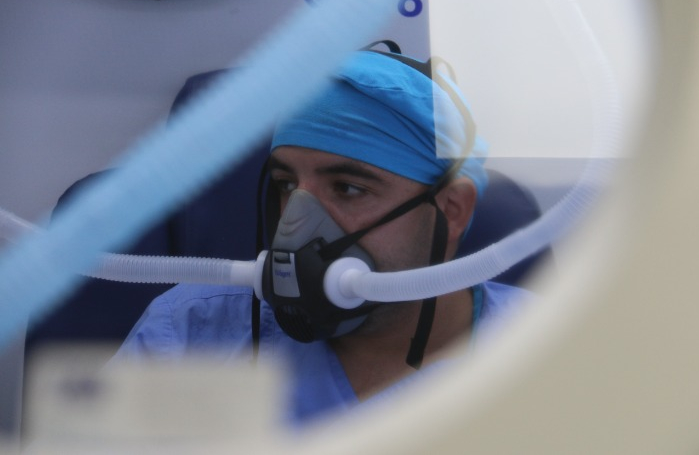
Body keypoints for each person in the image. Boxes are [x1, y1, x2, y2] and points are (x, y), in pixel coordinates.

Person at [112, 50, 532, 426]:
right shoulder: (190, 334)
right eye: (285, 185)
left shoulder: (542, 348)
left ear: (452, 210)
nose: (295, 223)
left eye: (348, 188)